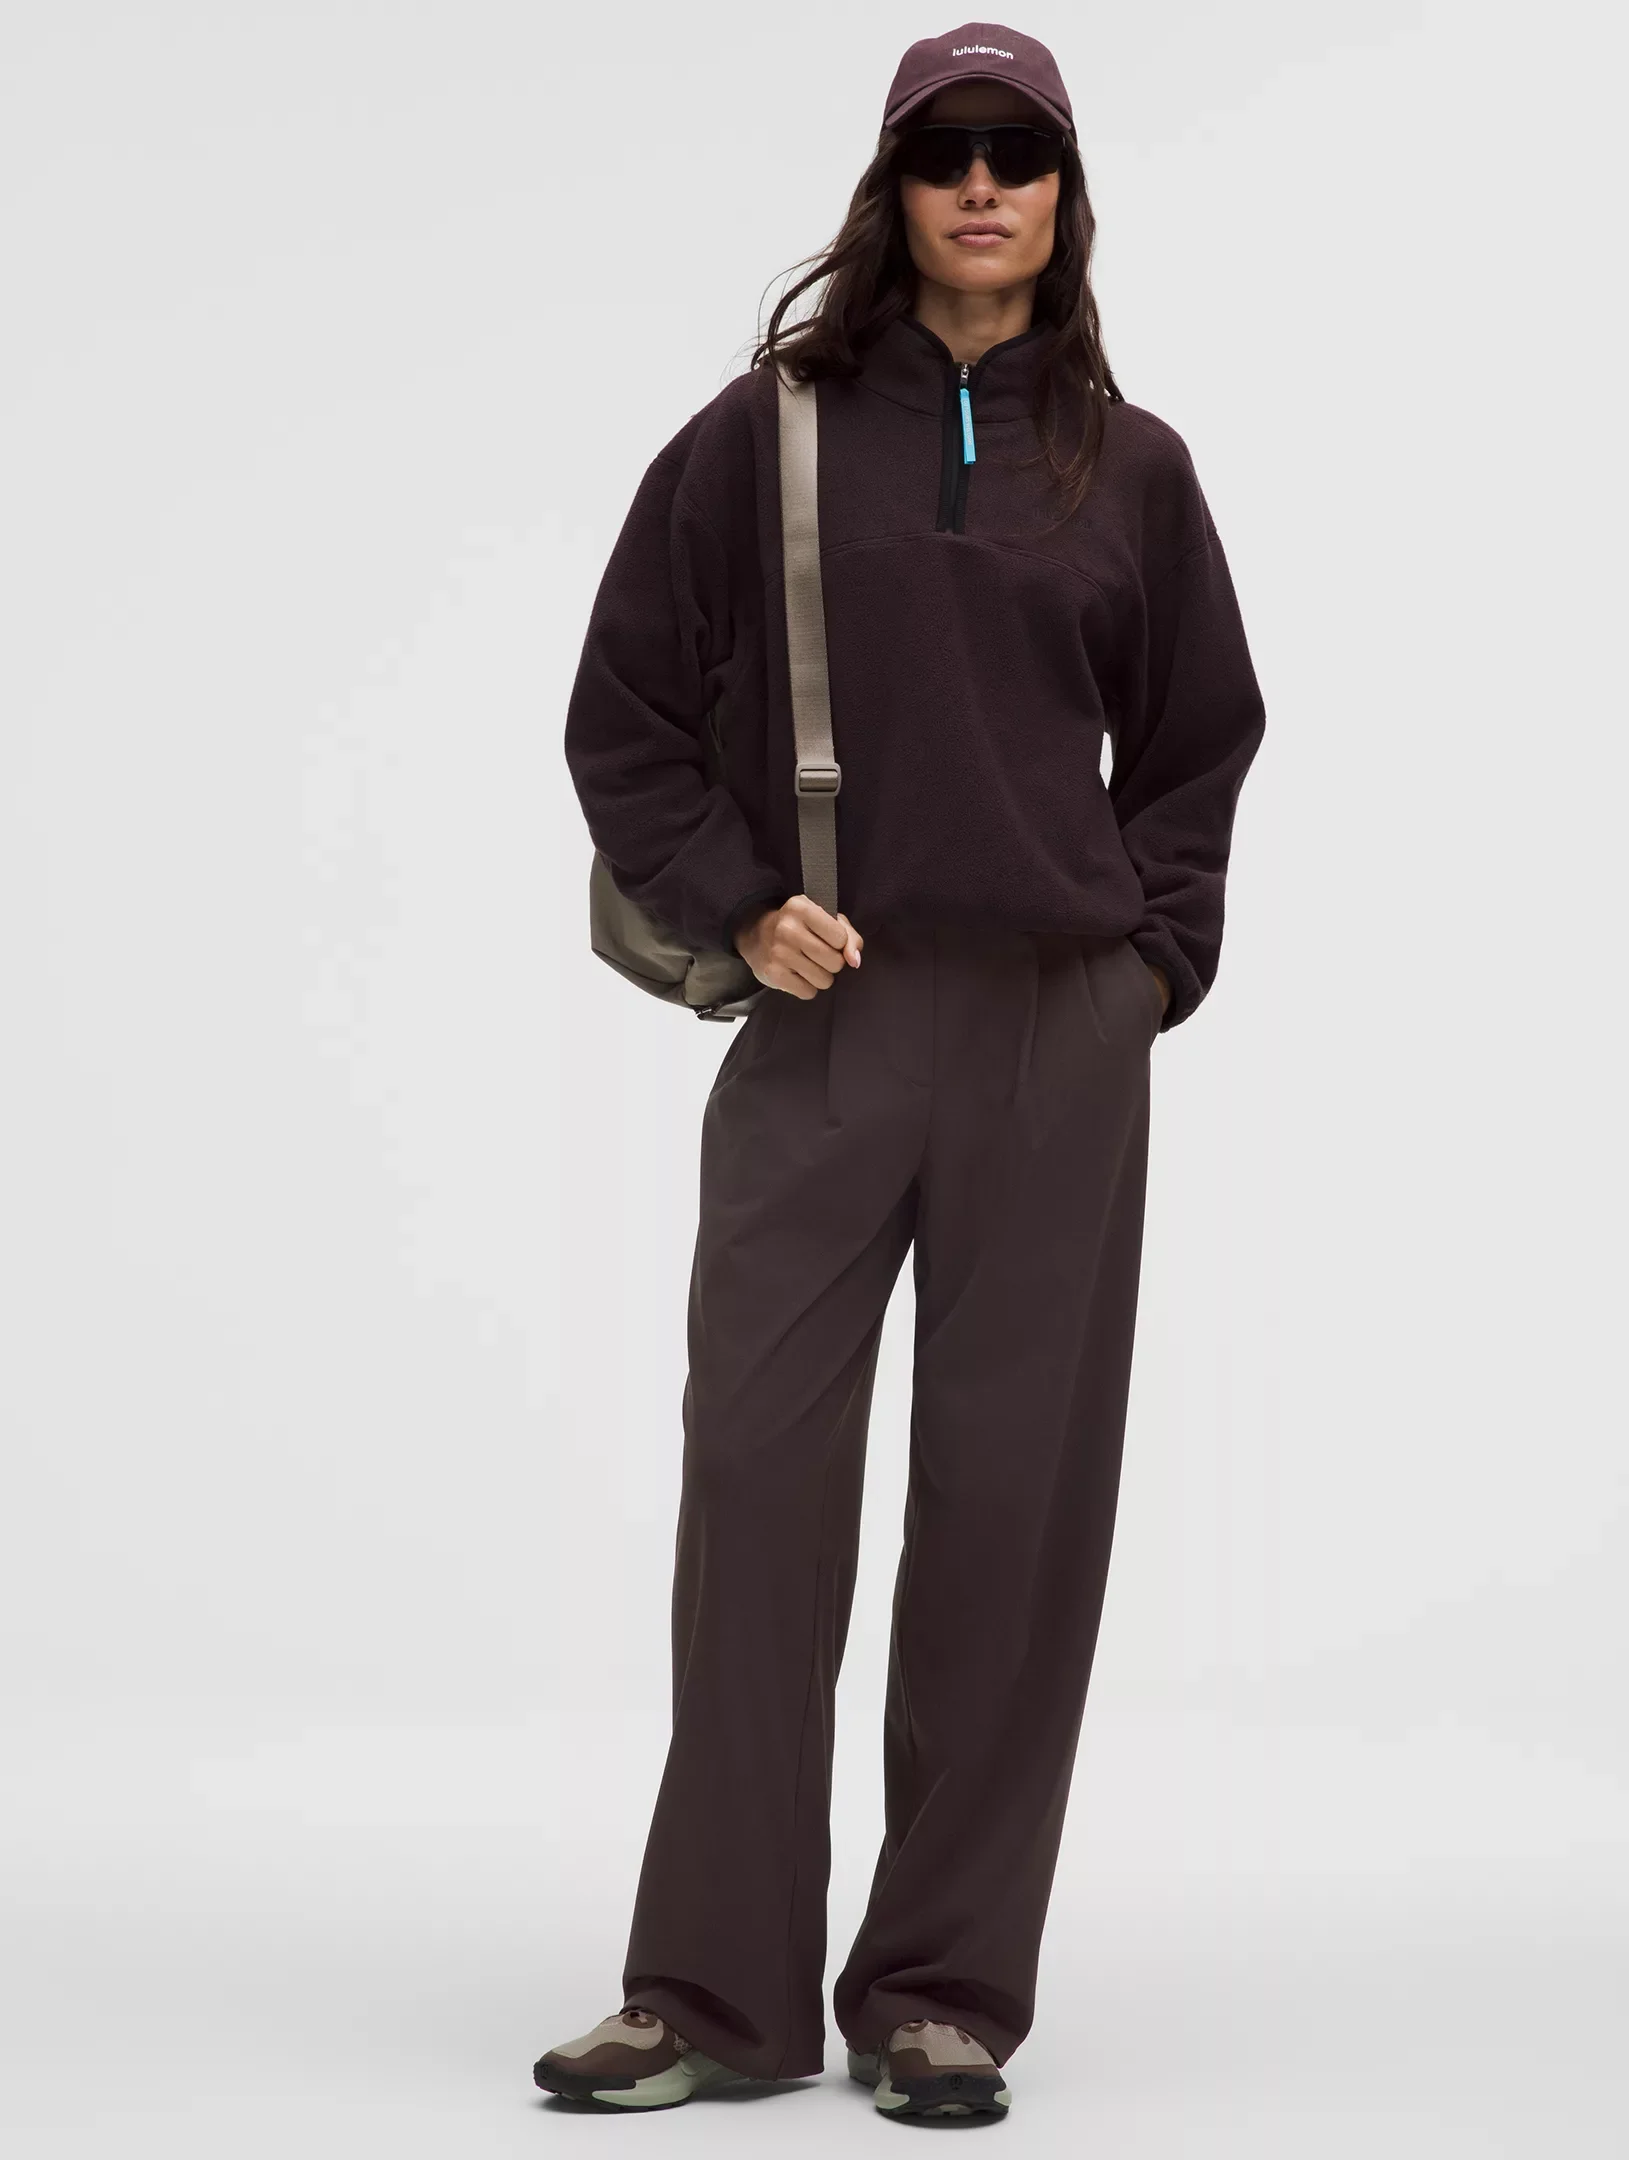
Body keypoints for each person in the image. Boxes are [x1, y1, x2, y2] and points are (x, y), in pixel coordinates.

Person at [536, 20, 1266, 2124]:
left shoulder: (1129, 465)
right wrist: (740, 899)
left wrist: (1150, 962)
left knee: (1009, 1518)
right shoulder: (759, 434)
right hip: (827, 1017)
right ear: (893, 185)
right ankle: (713, 1996)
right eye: (946, 150)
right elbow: (621, 716)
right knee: (760, 1492)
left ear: (1065, 191)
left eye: (1019, 151)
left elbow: (1200, 738)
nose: (982, 183)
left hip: (1060, 1032)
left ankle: (942, 1987)